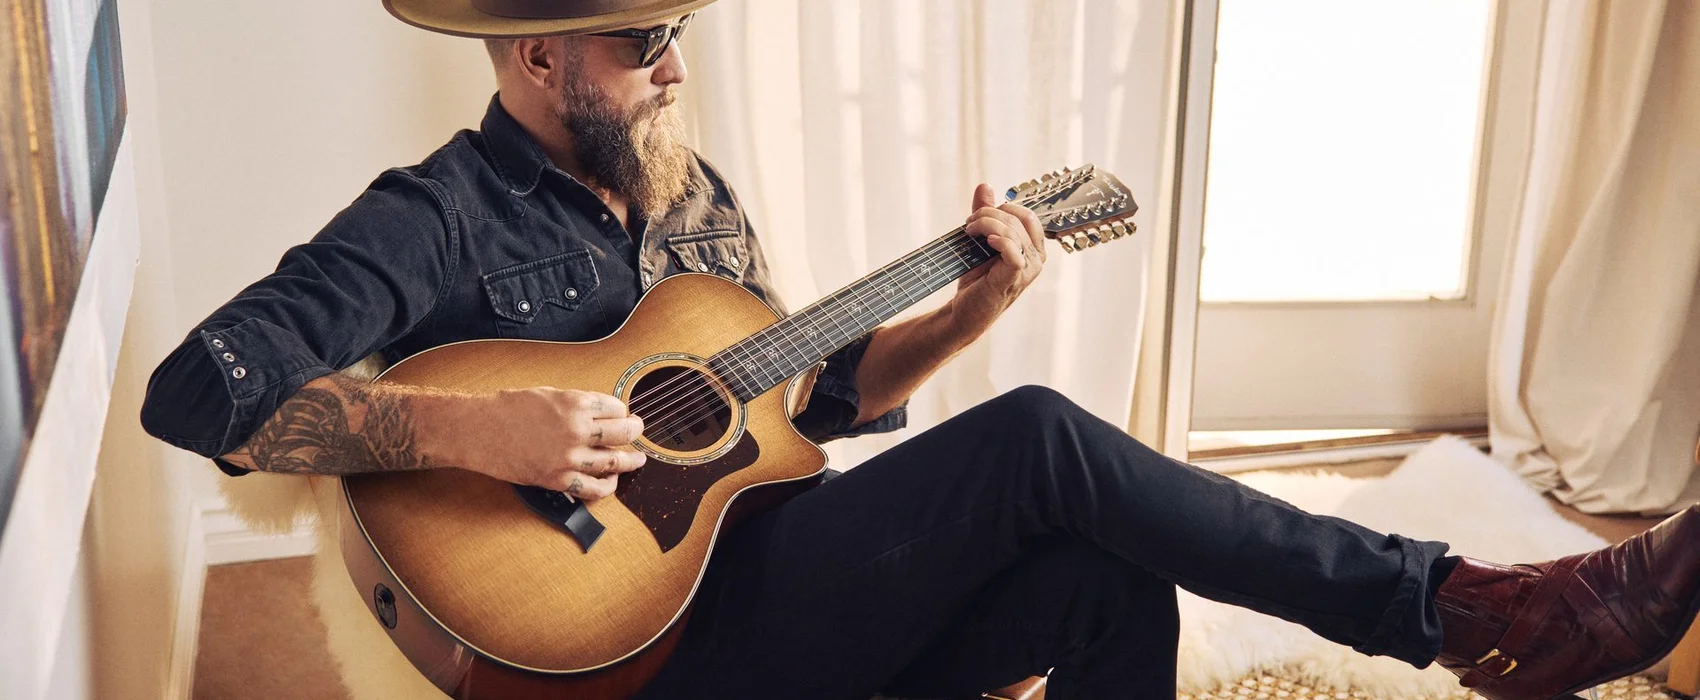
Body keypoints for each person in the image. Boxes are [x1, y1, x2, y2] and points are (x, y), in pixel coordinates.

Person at [139, 1, 1700, 698]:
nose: (678, 64)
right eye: (643, 43)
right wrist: (474, 435)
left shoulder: (692, 195)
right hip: (624, 662)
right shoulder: (436, 220)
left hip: (770, 588)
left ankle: (1478, 619)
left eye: (683, 29)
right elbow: (200, 390)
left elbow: (801, 412)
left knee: (1107, 582)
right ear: (541, 55)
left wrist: (969, 309)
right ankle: (1469, 614)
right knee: (1041, 447)